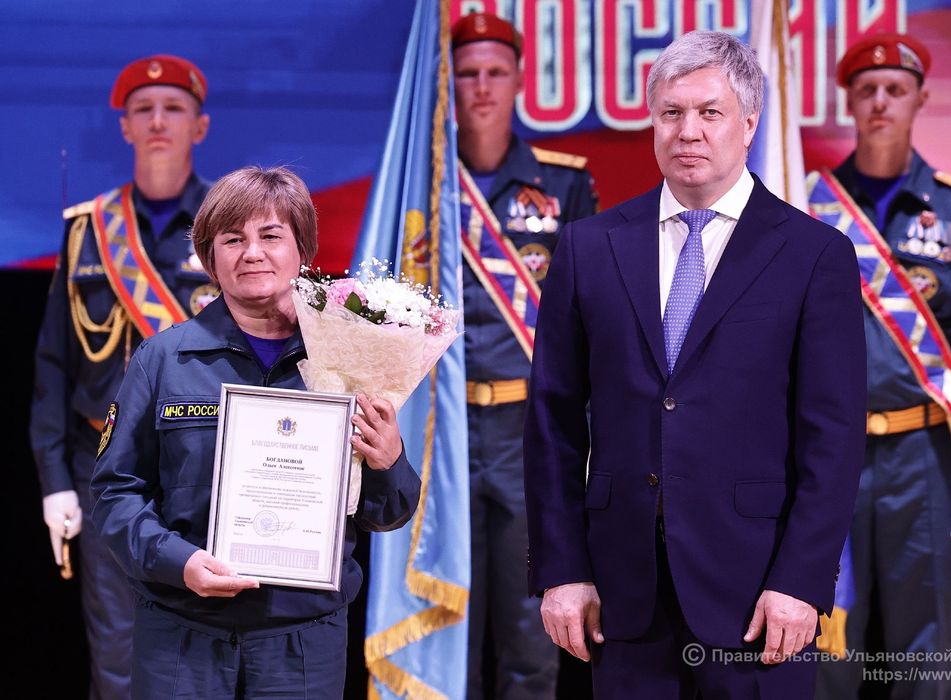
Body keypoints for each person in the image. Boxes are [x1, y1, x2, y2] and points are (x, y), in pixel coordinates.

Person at [523, 30, 868, 698]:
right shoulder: (590, 247)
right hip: (622, 598)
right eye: (671, 113)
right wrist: (562, 568)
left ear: (749, 123)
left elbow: (833, 438)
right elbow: (552, 422)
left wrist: (800, 581)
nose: (688, 131)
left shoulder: (814, 255)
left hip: (758, 598)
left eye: (710, 112)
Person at [89, 166, 421, 698]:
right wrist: (180, 562)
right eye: (232, 239)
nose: (252, 253)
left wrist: (389, 461)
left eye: (270, 236)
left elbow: (388, 513)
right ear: (209, 256)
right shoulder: (163, 360)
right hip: (181, 633)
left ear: (302, 250)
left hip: (303, 641)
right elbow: (114, 494)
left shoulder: (348, 360)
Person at [812, 34, 951, 700]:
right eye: (867, 90)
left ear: (919, 100)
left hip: (924, 458)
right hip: (828, 457)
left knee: (922, 657)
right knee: (823, 650)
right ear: (848, 102)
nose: (880, 102)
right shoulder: (805, 209)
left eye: (895, 90)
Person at [30, 53, 214, 698]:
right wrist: (55, 480)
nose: (158, 120)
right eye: (144, 109)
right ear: (125, 127)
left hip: (204, 460)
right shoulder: (87, 230)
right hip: (104, 463)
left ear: (200, 126)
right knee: (116, 652)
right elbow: (54, 363)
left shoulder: (229, 225)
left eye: (174, 108)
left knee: (206, 646)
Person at [450, 11, 598, 699]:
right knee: (439, 627)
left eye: (495, 72)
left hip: (527, 432)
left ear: (518, 82)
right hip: (440, 431)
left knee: (530, 634)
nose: (481, 86)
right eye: (467, 73)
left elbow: (593, 320)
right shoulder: (420, 188)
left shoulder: (564, 185)